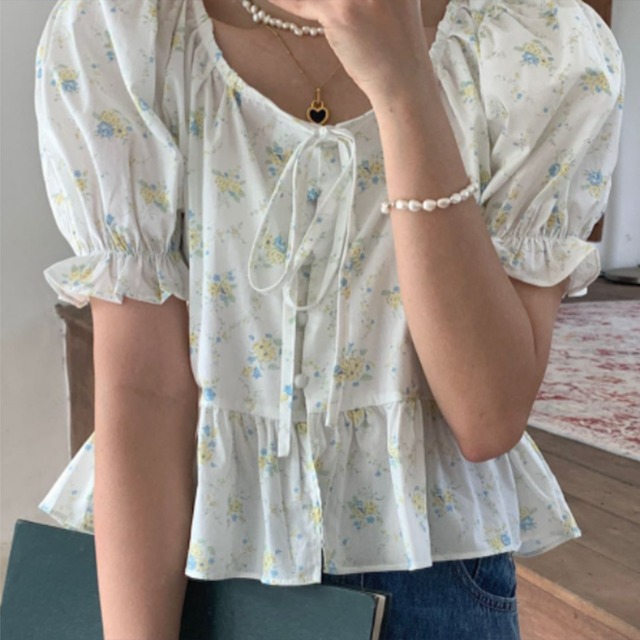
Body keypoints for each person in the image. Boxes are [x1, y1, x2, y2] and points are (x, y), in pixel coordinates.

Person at [34, 0, 624, 637]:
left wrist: (403, 84)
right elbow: (144, 395)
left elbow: (486, 417)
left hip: (430, 577)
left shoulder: (535, 49)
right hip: (193, 560)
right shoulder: (132, 35)